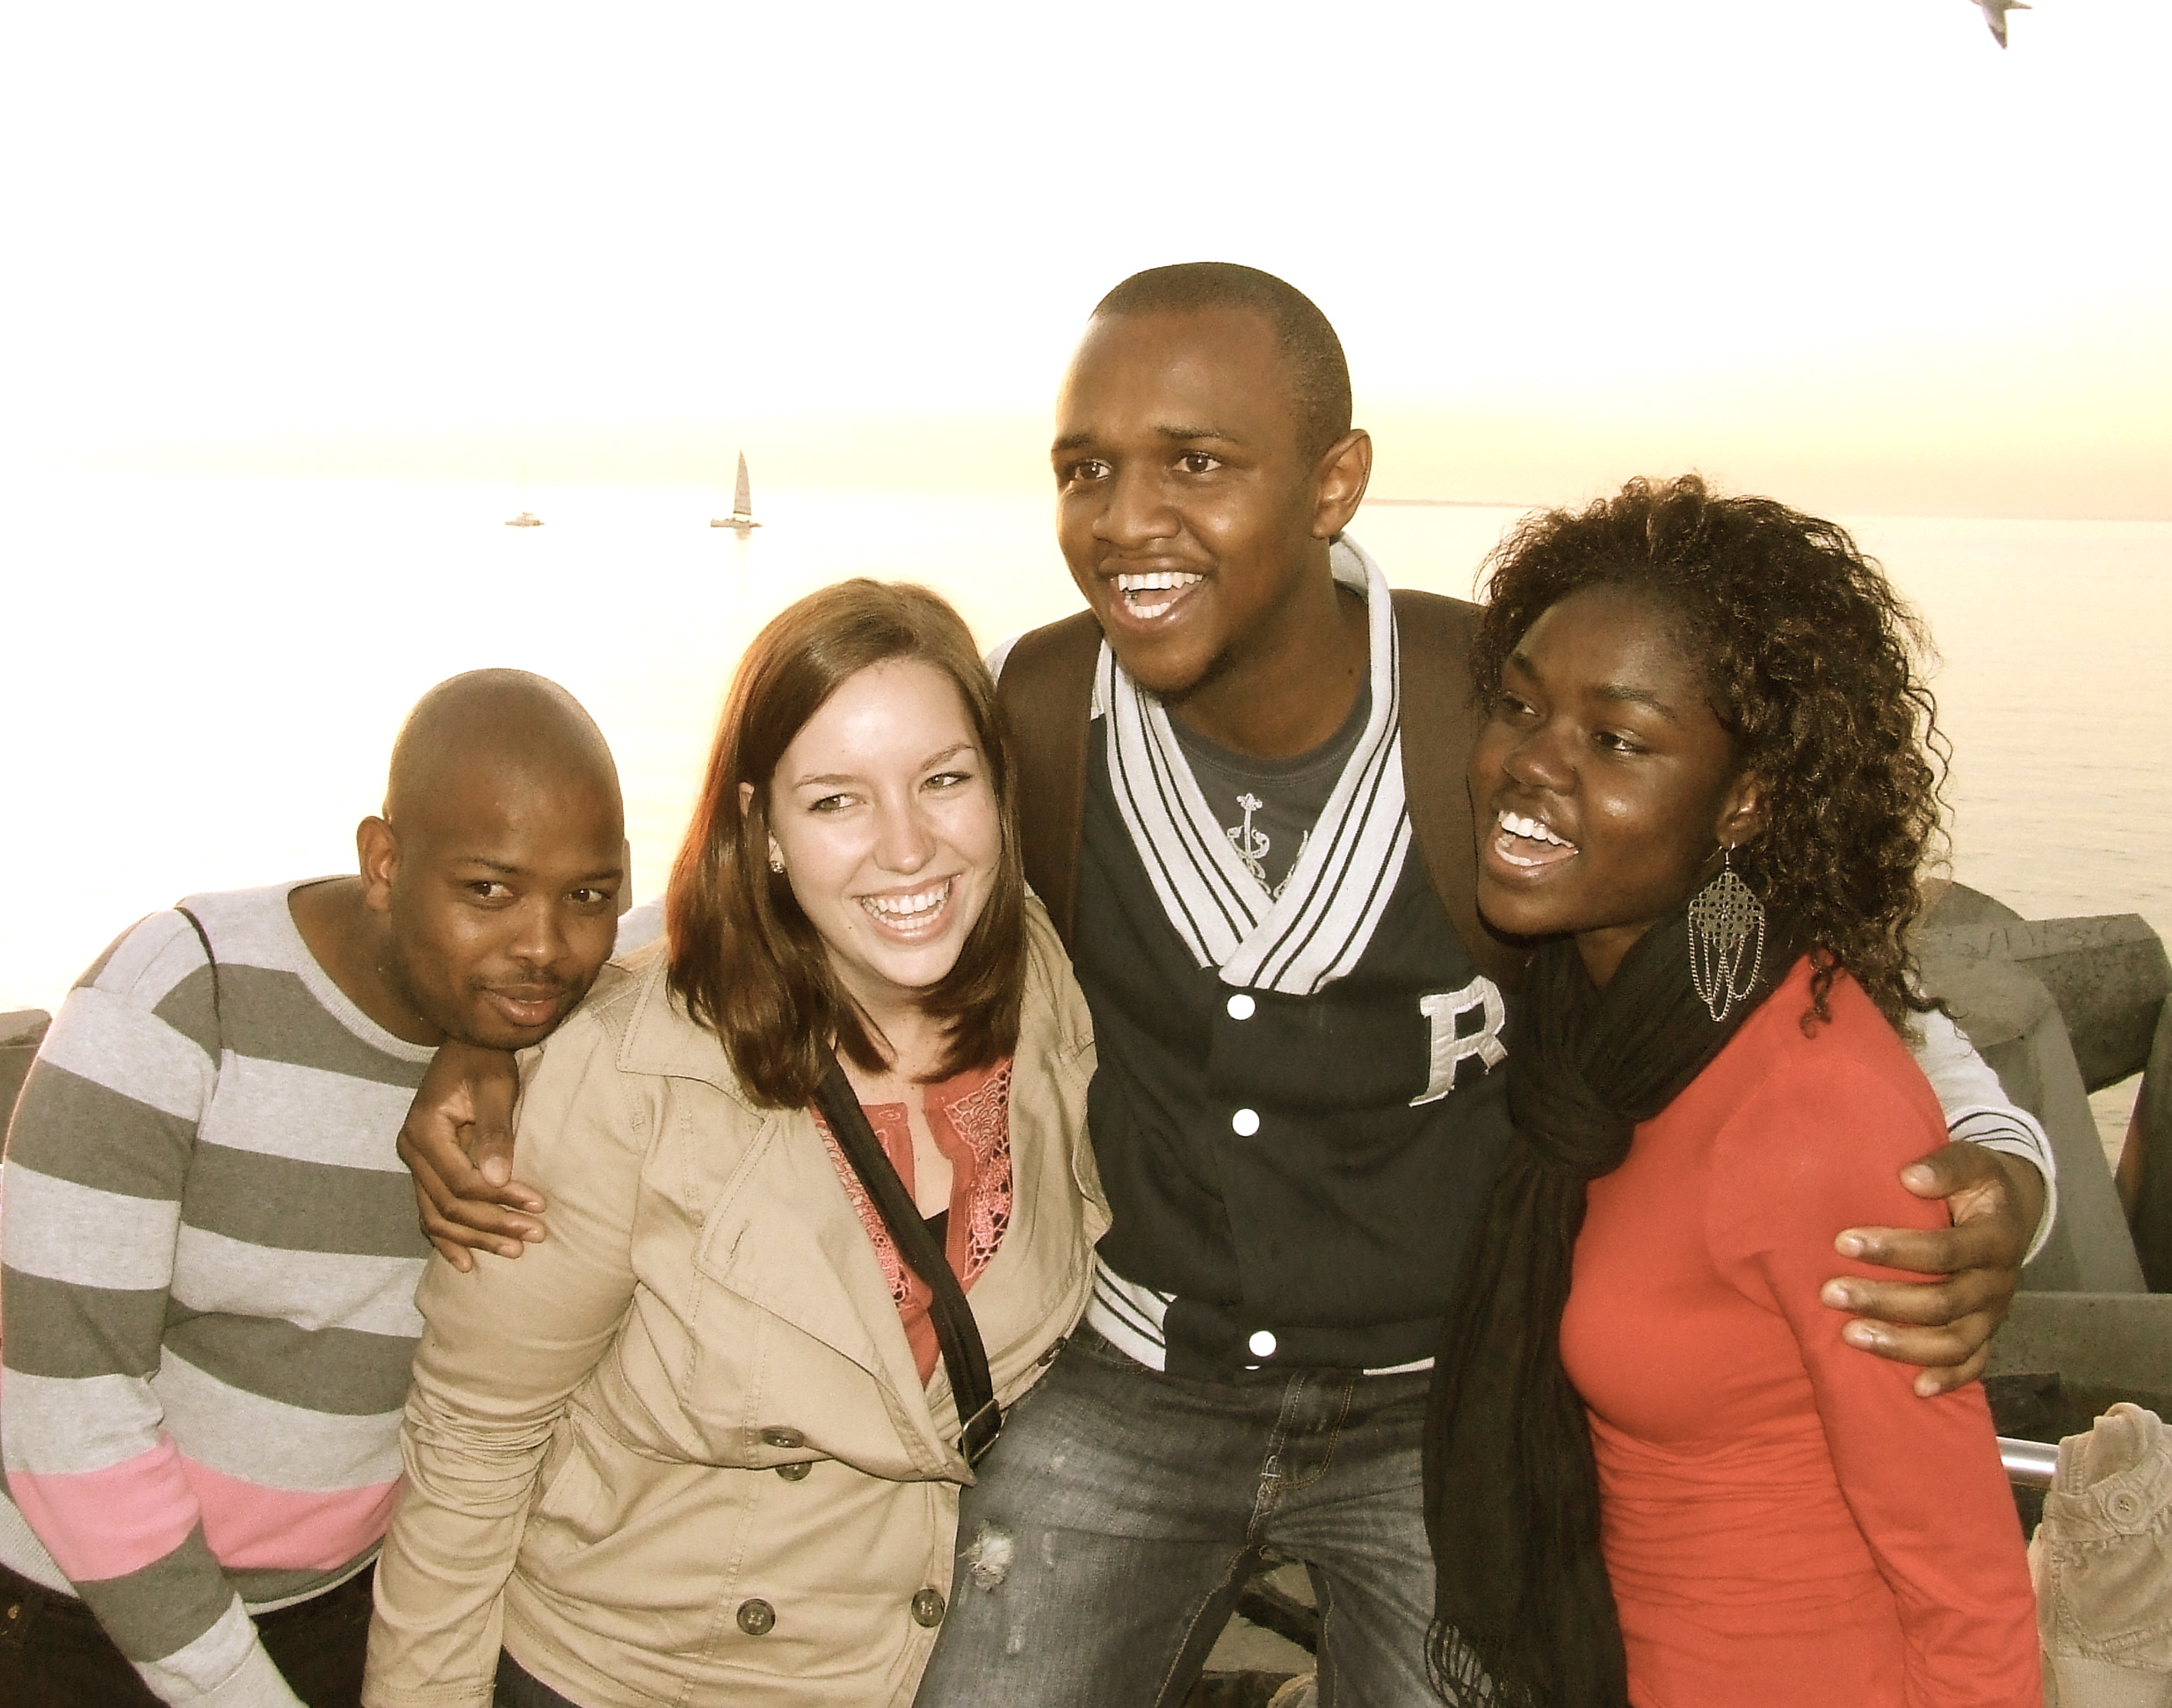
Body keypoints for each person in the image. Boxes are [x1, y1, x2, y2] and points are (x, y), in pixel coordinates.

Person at [400, 267, 2055, 1707]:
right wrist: (508, 1030)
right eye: (1085, 467)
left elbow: (1780, 961)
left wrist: (1996, 1153)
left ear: (1332, 482)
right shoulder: (1051, 709)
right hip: (1136, 1378)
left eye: (1196, 461)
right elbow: (845, 873)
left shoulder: (1484, 708)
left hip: (1436, 1402)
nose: (1127, 515)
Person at [361, 582, 1107, 1708]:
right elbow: (472, 1446)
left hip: (923, 1669)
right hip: (637, 1676)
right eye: (837, 801)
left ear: (1002, 792)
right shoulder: (633, 1072)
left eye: (944, 781)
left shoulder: (1043, 986)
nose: (908, 850)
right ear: (761, 828)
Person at [0, 670, 628, 1708]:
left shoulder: (554, 1022)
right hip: (43, 1622)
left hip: (328, 1618)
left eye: (590, 895)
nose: (547, 946)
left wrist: (481, 1041)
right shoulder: (179, 1001)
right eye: (489, 890)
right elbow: (73, 1421)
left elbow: (732, 942)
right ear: (385, 862)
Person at [1422, 475, 2040, 1706]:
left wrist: (2014, 1179)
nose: (1532, 766)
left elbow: (1966, 1580)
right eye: (1521, 708)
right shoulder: (1590, 1029)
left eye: (1618, 740)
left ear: (1746, 798)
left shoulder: (1808, 1104)